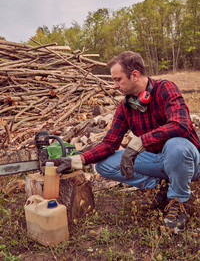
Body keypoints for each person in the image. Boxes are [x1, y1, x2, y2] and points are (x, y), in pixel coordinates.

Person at [47, 51, 200, 234]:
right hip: (158, 162)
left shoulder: (165, 88)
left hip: (188, 162)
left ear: (134, 75)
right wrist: (75, 160)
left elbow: (181, 125)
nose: (115, 85)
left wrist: (141, 141)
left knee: (176, 146)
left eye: (118, 79)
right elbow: (108, 144)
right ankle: (160, 186)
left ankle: (178, 201)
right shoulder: (126, 106)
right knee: (103, 165)